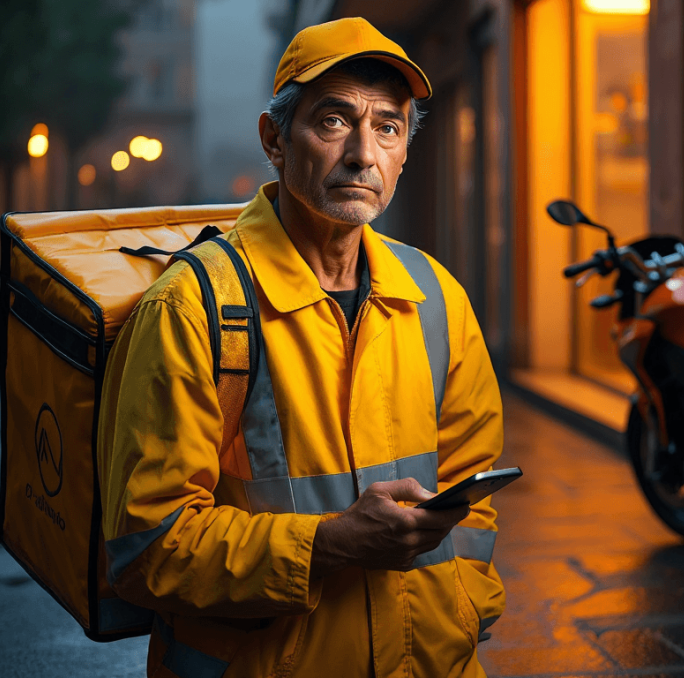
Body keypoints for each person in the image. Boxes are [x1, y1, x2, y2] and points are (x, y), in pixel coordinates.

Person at [97, 16, 506, 678]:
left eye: (388, 127)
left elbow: (474, 499)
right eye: (334, 121)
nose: (362, 154)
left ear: (404, 153)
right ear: (275, 139)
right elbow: (148, 549)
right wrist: (326, 545)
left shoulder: (437, 298)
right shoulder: (193, 306)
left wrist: (466, 611)